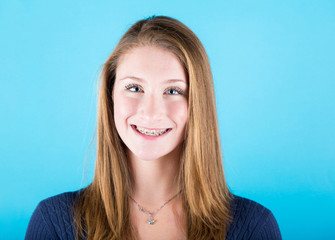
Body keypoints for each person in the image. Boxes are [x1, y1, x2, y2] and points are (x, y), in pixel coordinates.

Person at [25, 16, 281, 240]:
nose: (150, 112)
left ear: (197, 105)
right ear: (110, 95)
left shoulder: (253, 227)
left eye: (173, 90)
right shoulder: (54, 224)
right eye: (134, 88)